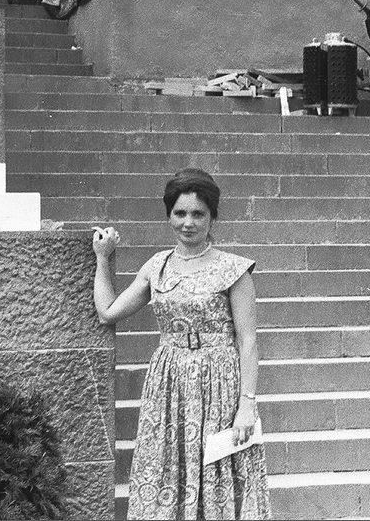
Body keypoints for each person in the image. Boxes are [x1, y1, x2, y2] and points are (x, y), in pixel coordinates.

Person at [92, 168, 270, 520]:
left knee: (217, 473)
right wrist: (102, 258)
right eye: (180, 213)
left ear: (212, 216)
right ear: (169, 215)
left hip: (219, 385)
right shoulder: (157, 266)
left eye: (198, 214)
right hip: (169, 385)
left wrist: (247, 404)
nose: (188, 223)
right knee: (166, 470)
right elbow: (108, 312)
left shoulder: (234, 270)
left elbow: (248, 340)